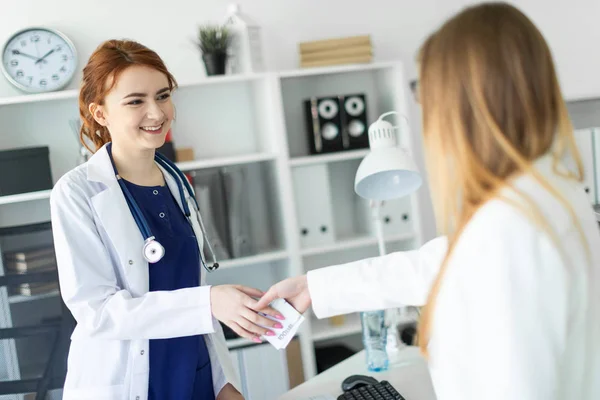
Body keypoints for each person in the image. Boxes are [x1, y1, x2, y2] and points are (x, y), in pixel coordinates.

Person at [256, 3, 600, 399]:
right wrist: (314, 288)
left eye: (427, 93)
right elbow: (436, 265)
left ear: (468, 105)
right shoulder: (546, 192)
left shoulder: (509, 226)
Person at [50, 39, 285, 400]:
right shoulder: (77, 192)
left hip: (195, 375)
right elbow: (98, 312)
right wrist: (209, 302)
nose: (157, 113)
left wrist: (225, 382)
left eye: (162, 96)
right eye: (135, 101)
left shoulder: (176, 182)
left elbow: (192, 289)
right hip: (133, 381)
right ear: (100, 114)